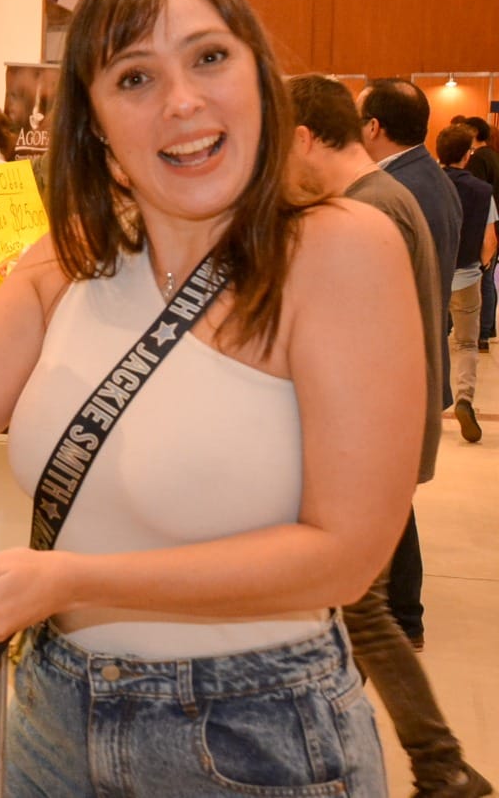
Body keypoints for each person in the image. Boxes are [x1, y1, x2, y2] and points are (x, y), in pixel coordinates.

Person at [0, 0, 424, 796]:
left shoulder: (337, 251)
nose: (181, 100)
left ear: (261, 78)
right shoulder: (70, 257)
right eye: (135, 77)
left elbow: (347, 556)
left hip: (252, 736)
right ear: (97, 126)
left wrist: (73, 579)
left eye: (209, 56)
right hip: (53, 714)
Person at [289, 76, 492, 798]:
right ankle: (428, 761)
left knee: (357, 606)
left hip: (369, 436)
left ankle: (431, 762)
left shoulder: (369, 207)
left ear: (304, 138)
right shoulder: (394, 193)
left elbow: (360, 341)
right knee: (358, 607)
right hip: (383, 431)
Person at [358, 77, 462, 656]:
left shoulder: (395, 190)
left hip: (404, 364)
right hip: (420, 353)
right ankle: (400, 612)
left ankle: (402, 614)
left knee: (388, 497)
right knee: (391, 496)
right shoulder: (427, 177)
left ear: (373, 126)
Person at [437, 122, 496, 442]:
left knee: (431, 340)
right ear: (467, 155)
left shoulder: (428, 185)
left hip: (432, 276)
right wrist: (482, 267)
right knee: (466, 343)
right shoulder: (482, 191)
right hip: (467, 277)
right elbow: (489, 241)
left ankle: (429, 402)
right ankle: (464, 399)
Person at [458, 116, 499, 350]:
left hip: (486, 226)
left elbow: (477, 197)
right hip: (495, 224)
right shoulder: (493, 156)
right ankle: (488, 328)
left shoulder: (478, 160)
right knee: (489, 278)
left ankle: (482, 332)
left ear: (475, 132)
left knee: (482, 278)